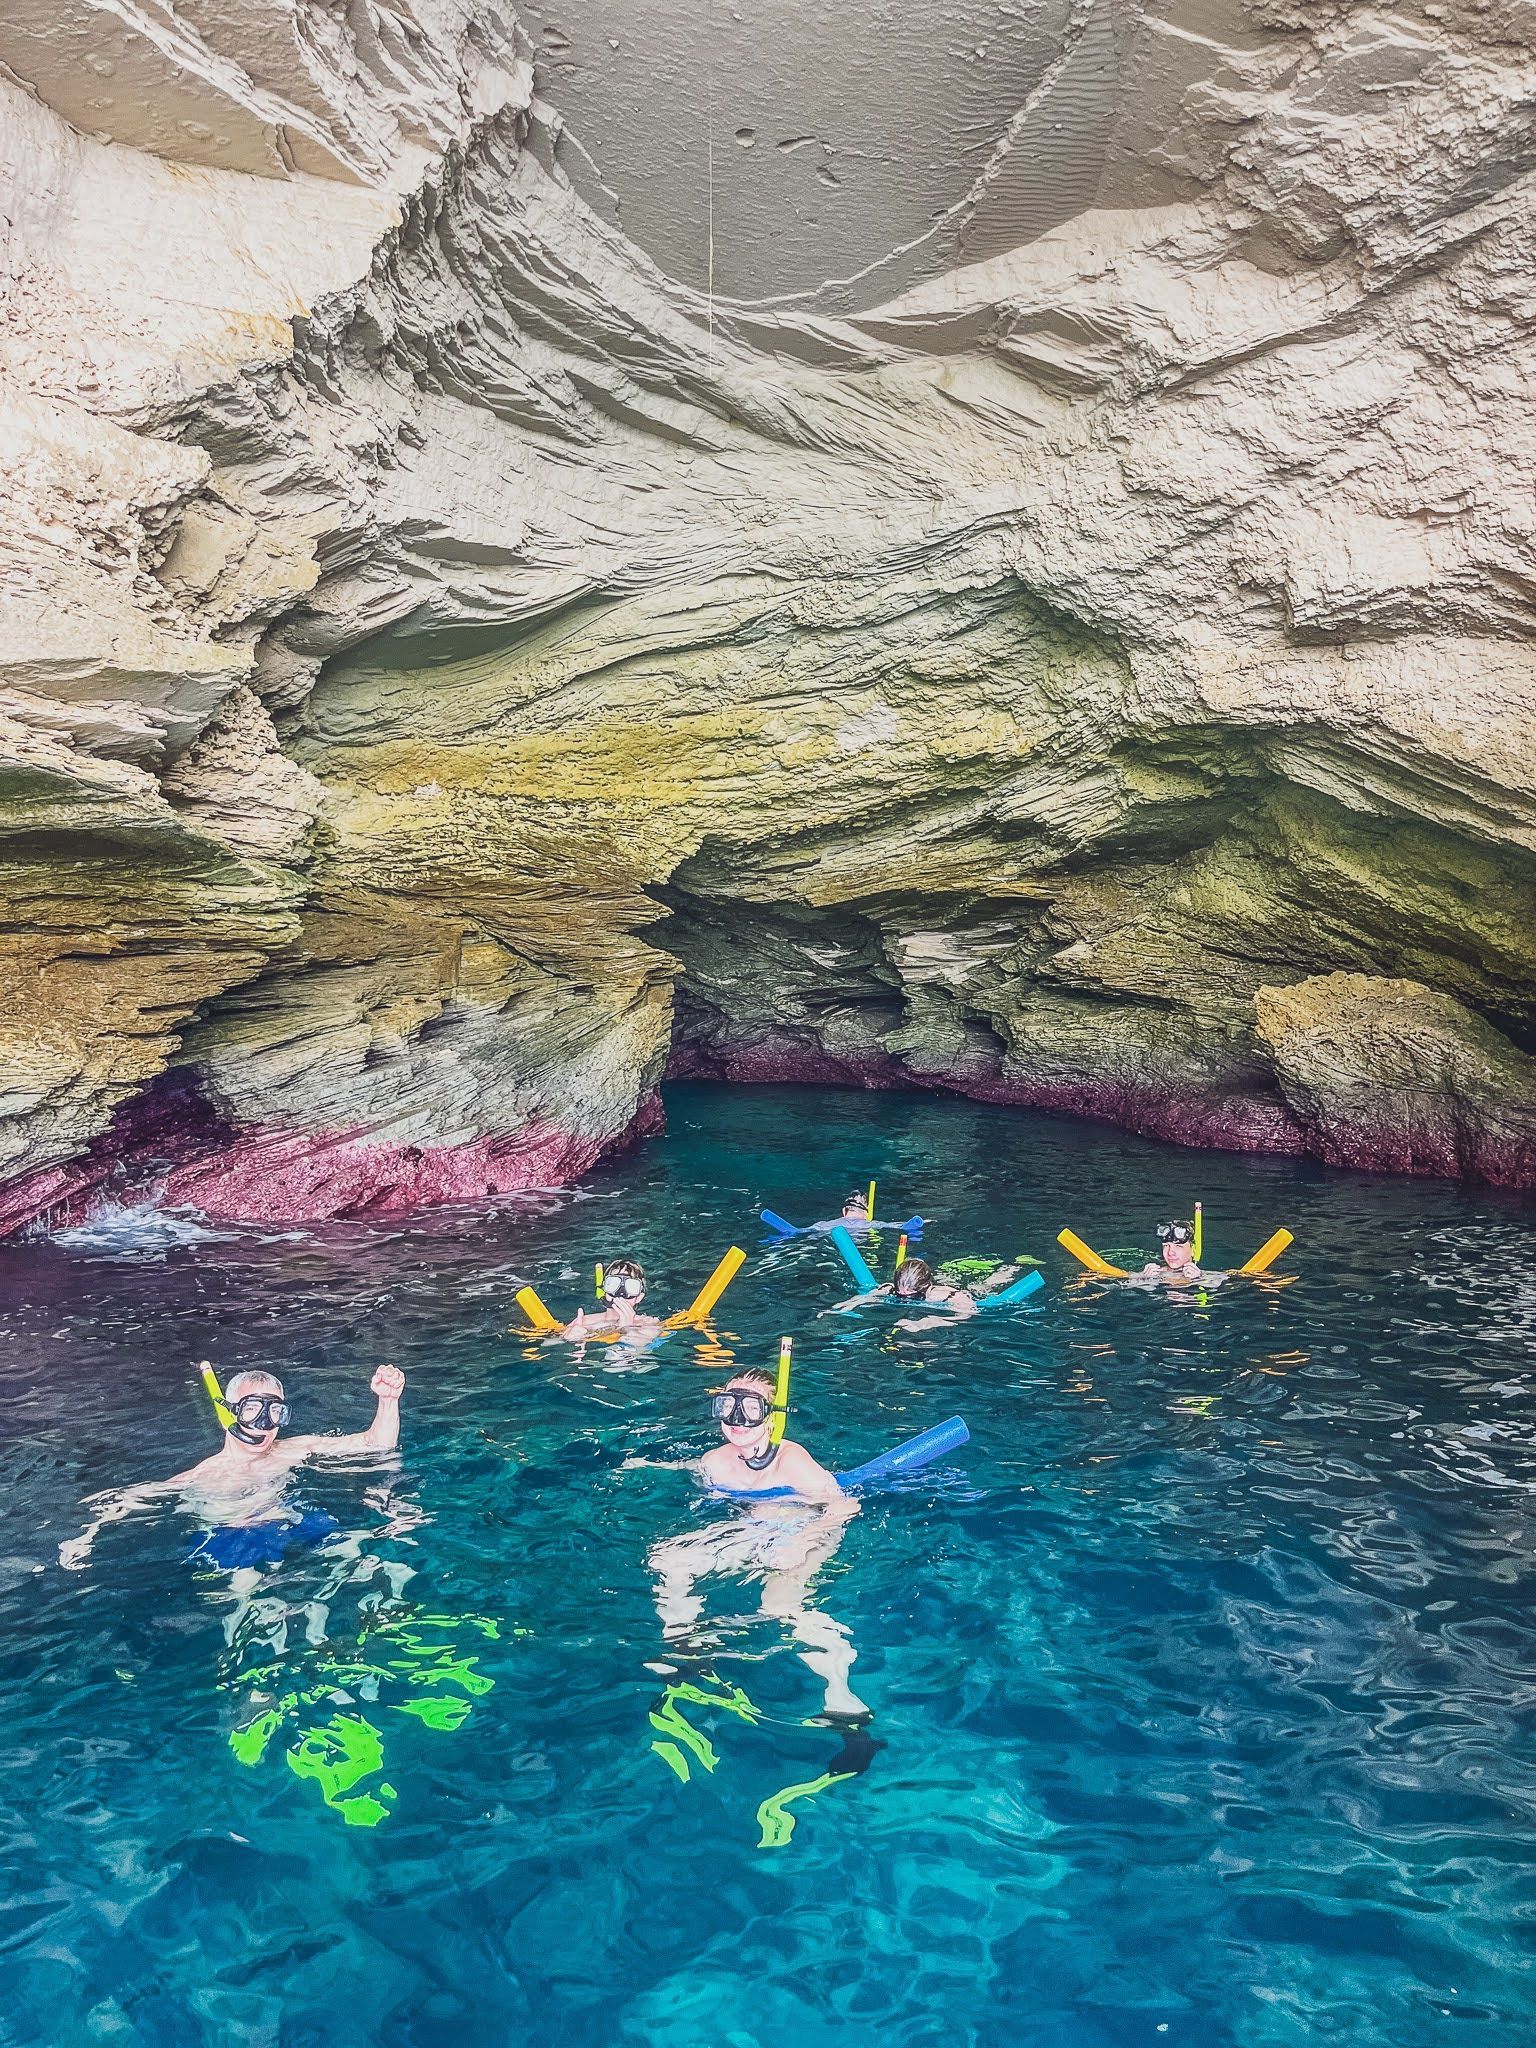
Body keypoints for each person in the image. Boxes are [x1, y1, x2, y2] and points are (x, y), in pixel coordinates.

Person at [646, 1369, 867, 1720]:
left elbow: (844, 1506)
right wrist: (651, 1464)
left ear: (769, 1415)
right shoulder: (714, 1463)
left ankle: (843, 1699)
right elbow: (697, 1473)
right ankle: (684, 1645)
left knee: (779, 1605)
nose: (736, 1419)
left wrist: (802, 1544)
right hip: (755, 1530)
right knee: (668, 1559)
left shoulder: (792, 1460)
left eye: (749, 1408)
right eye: (726, 1406)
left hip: (807, 1529)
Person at [58, 1362, 406, 1570]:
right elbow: (125, 1499)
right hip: (230, 1537)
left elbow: (375, 1445)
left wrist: (388, 1401)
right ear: (231, 1412)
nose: (264, 1423)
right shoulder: (205, 1475)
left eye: (275, 1412)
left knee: (357, 1551)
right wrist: (83, 1537)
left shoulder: (292, 1450)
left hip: (288, 1518)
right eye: (253, 1410)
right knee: (247, 1588)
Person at [561, 1258, 663, 1342]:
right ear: (604, 1290)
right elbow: (549, 1343)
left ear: (639, 1297)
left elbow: (639, 1350)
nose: (621, 1293)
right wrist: (567, 1338)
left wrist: (627, 1328)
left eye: (631, 1287)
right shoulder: (584, 1321)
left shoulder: (649, 1324)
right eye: (613, 1284)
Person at [1136, 1219, 1227, 1288]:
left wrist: (1198, 1279)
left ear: (1193, 1250)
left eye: (1178, 1246)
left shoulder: (1211, 1277)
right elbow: (1124, 1282)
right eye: (1166, 1246)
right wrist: (1145, 1279)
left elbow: (1230, 1285)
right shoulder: (1152, 1273)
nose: (1170, 1253)